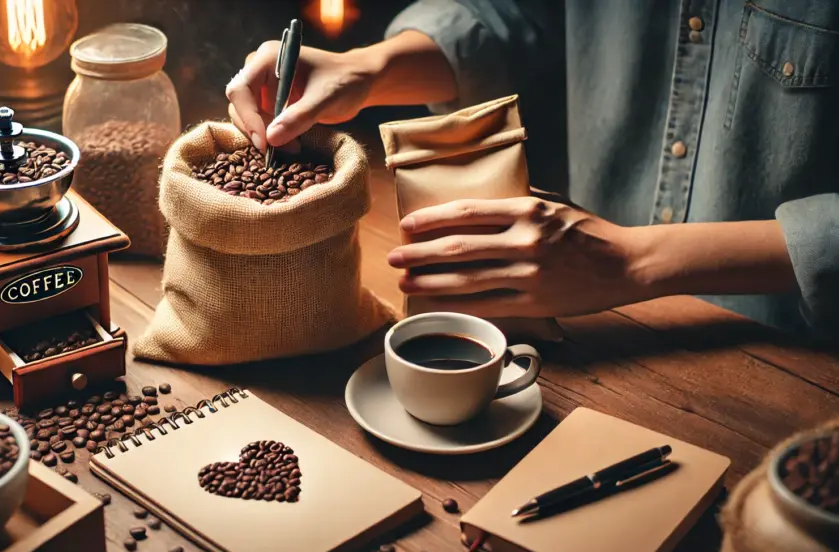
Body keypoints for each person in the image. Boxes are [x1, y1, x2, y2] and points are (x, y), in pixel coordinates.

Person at [225, 0, 839, 337]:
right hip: (587, 327)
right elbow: (522, 15)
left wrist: (629, 259)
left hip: (801, 355)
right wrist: (371, 68)